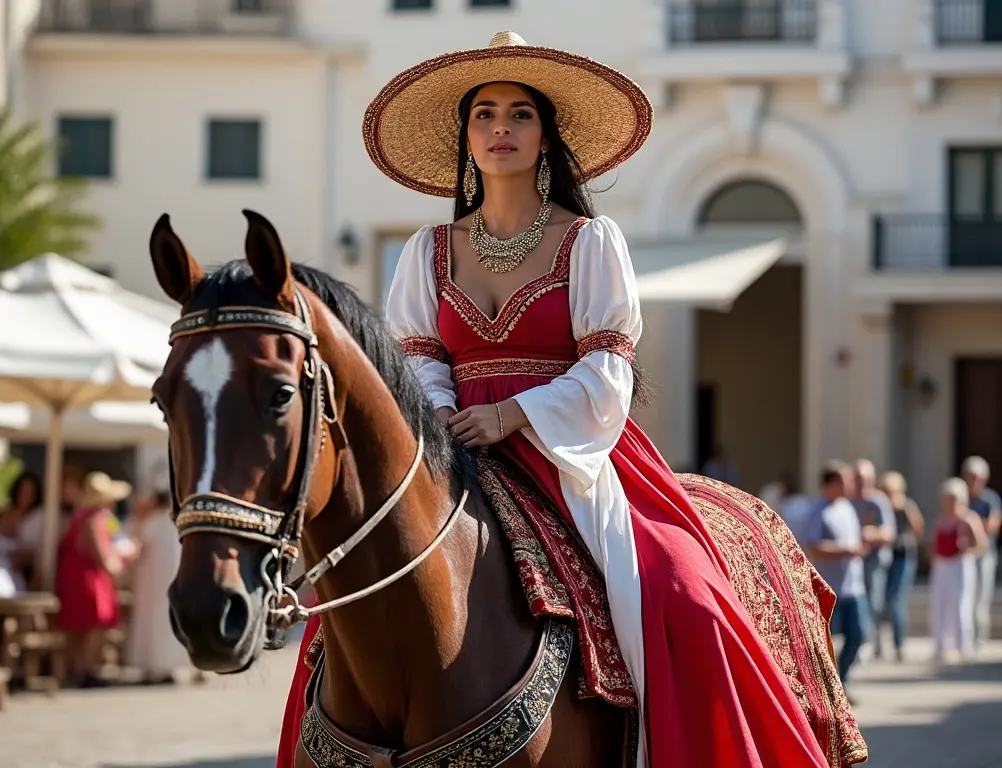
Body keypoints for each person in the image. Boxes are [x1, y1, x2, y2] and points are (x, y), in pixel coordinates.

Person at [276, 31, 835, 768]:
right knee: (350, 609)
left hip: (567, 451)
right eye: (483, 115)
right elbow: (417, 359)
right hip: (450, 444)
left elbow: (609, 369)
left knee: (685, 590)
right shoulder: (427, 250)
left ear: (546, 137)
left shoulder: (591, 241)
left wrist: (512, 414)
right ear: (465, 138)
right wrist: (440, 418)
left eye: (519, 114)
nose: (500, 128)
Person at [54, 471, 136, 688]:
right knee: (95, 623)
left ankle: (74, 670)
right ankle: (84, 670)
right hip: (90, 578)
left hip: (74, 576)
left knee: (77, 626)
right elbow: (101, 554)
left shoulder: (77, 516)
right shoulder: (95, 519)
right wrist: (121, 568)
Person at [805, 462, 869, 688]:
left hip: (854, 586)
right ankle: (828, 687)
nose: (850, 485)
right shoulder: (819, 510)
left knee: (859, 634)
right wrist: (846, 550)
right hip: (830, 589)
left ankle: (843, 680)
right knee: (827, 641)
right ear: (831, 484)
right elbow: (814, 546)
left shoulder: (847, 508)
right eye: (844, 481)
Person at [125, 471, 193, 685]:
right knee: (165, 621)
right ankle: (166, 664)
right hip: (164, 580)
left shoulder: (153, 523)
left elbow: (138, 547)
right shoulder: (177, 523)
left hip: (152, 582)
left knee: (153, 622)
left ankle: (156, 665)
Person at [930, 477, 987, 664]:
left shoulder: (969, 519)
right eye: (947, 498)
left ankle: (964, 646)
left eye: (953, 498)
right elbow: (933, 546)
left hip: (961, 565)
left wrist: (966, 550)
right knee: (940, 605)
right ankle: (940, 647)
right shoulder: (940, 520)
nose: (950, 502)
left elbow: (981, 544)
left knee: (961, 605)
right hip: (942, 566)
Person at [850, 459, 896, 658]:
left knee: (874, 601)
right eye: (858, 478)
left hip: (875, 560)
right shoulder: (849, 502)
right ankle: (862, 640)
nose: (861, 483)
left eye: (864, 478)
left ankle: (873, 641)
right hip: (854, 561)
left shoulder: (878, 501)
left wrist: (870, 534)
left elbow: (889, 533)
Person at [877, 471, 924, 661]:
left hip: (903, 556)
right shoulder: (880, 506)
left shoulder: (906, 505)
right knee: (879, 599)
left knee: (897, 599)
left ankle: (898, 643)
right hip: (886, 555)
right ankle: (878, 643)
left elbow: (917, 528)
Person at [961, 455, 1002, 650]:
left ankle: (980, 638)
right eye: (969, 476)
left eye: (975, 477)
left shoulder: (991, 498)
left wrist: (973, 525)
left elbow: (994, 524)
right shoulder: (961, 499)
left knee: (981, 597)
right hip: (963, 555)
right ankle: (964, 637)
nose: (972, 481)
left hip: (984, 554)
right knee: (965, 596)